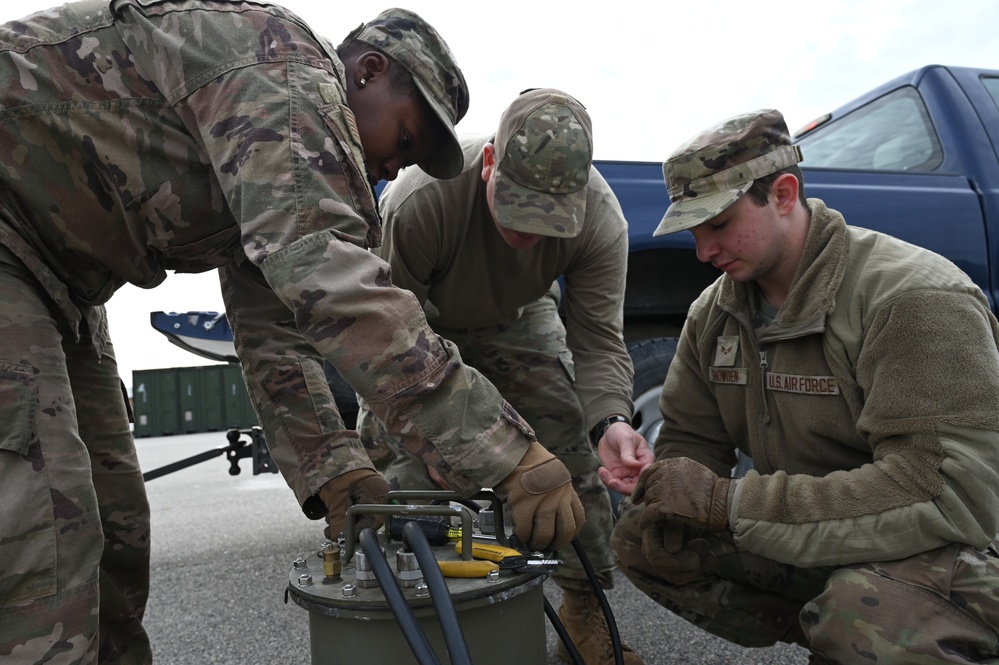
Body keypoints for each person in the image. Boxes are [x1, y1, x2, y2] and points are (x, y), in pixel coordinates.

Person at [0, 3, 584, 663]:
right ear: (367, 71)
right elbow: (341, 288)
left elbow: (278, 335)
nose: (395, 167)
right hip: (11, 239)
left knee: (112, 530)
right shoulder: (282, 70)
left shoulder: (270, 165)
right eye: (407, 137)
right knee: (44, 549)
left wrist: (339, 473)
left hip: (57, 280)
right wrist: (507, 452)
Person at [611, 108, 999, 664]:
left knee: (861, 612)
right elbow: (693, 439)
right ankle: (843, 639)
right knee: (650, 539)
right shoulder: (715, 312)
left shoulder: (913, 300)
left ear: (784, 194)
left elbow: (947, 495)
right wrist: (667, 481)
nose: (703, 252)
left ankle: (885, 632)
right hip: (829, 531)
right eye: (694, 232)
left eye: (718, 225)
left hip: (963, 546)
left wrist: (728, 503)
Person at [357, 87, 652, 665]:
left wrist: (612, 422)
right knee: (409, 463)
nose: (530, 236)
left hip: (519, 317)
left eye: (550, 223)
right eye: (516, 211)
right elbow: (385, 346)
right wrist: (456, 448)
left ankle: (584, 611)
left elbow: (597, 342)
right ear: (489, 162)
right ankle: (420, 615)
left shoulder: (600, 220)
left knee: (567, 449)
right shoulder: (422, 200)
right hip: (418, 327)